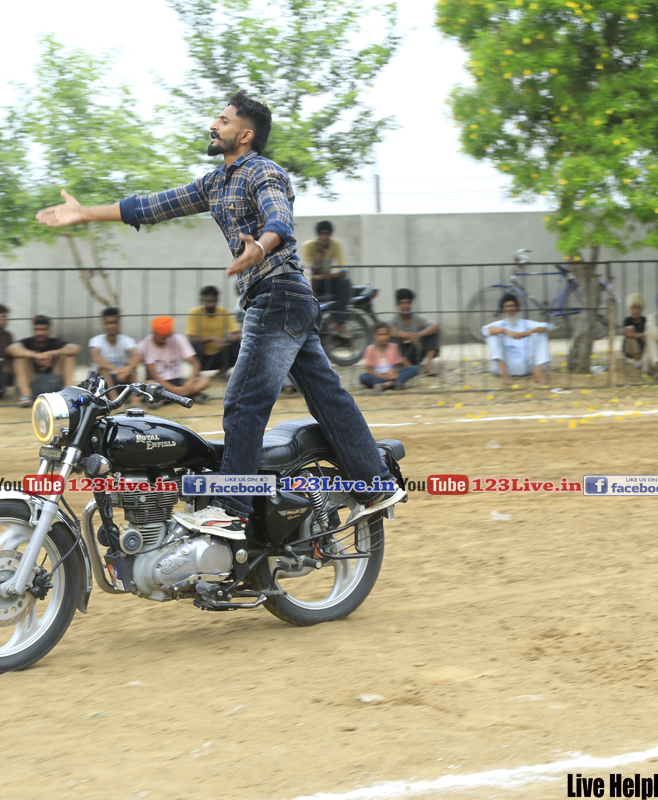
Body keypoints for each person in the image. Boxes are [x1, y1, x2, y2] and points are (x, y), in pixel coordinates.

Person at [35, 90, 403, 537]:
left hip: (278, 295)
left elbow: (279, 218)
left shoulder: (263, 171)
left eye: (224, 121)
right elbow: (151, 206)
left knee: (244, 402)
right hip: (285, 299)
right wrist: (84, 214)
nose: (214, 125)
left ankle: (232, 508)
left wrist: (260, 246)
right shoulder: (214, 183)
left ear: (245, 135)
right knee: (329, 399)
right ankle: (375, 485)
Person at [6, 315, 80, 407]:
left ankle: (68, 394)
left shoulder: (56, 342)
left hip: (54, 382)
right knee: (19, 358)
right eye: (37, 329)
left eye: (43, 329)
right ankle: (25, 396)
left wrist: (52, 353)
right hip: (32, 383)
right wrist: (36, 355)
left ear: (49, 330)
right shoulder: (27, 342)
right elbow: (11, 349)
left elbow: (76, 348)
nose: (40, 333)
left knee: (69, 356)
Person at [481, 293, 551, 386]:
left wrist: (527, 332)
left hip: (526, 365)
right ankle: (505, 376)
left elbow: (547, 327)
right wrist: (505, 331)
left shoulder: (525, 323)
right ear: (502, 309)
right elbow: (485, 330)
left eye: (512, 306)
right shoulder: (499, 324)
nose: (510, 309)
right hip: (506, 366)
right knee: (493, 336)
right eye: (507, 306)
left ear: (517, 308)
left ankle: (538, 373)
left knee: (541, 334)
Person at [139, 316, 211, 402]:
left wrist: (189, 381)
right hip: (159, 383)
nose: (165, 340)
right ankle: (187, 396)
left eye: (167, 337)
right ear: (154, 333)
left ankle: (169, 398)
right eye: (162, 338)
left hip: (179, 381)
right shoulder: (147, 342)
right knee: (149, 384)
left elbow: (195, 363)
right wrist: (172, 388)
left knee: (205, 380)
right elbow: (152, 373)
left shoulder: (178, 339)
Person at [302, 220, 351, 329]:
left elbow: (344, 272)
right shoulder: (308, 246)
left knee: (345, 282)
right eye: (322, 234)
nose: (325, 237)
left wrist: (323, 276)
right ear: (318, 235)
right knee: (308, 285)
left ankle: (339, 323)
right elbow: (310, 273)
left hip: (326, 280)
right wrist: (322, 254)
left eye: (327, 234)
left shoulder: (336, 244)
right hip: (314, 281)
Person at [185, 287, 241, 378]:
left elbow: (237, 335)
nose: (210, 304)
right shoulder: (194, 312)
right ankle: (196, 371)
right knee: (192, 345)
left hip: (219, 356)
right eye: (208, 301)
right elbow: (191, 338)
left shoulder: (223, 312)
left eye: (213, 301)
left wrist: (224, 341)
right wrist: (211, 339)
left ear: (217, 301)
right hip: (202, 357)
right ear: (202, 301)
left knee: (240, 344)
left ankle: (223, 370)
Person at [89, 306, 142, 399]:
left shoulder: (126, 340)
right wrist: (118, 370)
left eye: (114, 322)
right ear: (103, 324)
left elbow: (138, 355)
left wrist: (128, 369)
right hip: (103, 384)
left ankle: (136, 402)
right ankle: (115, 401)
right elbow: (95, 357)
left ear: (119, 324)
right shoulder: (96, 340)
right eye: (108, 323)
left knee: (132, 366)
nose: (112, 326)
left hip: (122, 378)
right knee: (103, 369)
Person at [386, 288, 440, 376]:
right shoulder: (394, 319)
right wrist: (407, 335)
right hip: (400, 356)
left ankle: (428, 366)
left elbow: (436, 326)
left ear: (411, 303)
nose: (405, 306)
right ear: (398, 304)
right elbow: (386, 330)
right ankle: (410, 368)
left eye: (408, 303)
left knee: (433, 333)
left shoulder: (417, 318)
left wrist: (418, 335)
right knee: (391, 339)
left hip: (417, 352)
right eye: (402, 303)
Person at [360, 323, 419, 391]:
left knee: (414, 369)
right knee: (363, 377)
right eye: (380, 335)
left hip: (391, 375)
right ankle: (395, 384)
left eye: (386, 334)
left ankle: (387, 385)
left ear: (389, 335)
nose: (383, 337)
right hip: (378, 376)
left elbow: (395, 367)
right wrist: (384, 377)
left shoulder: (394, 347)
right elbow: (370, 370)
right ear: (375, 335)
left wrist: (391, 373)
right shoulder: (370, 349)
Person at [621, 292, 647, 367]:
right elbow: (625, 332)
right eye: (633, 308)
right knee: (630, 329)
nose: (635, 311)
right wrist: (639, 335)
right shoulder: (627, 320)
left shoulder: (645, 320)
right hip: (630, 349)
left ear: (641, 309)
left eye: (637, 308)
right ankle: (637, 359)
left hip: (643, 348)